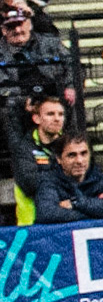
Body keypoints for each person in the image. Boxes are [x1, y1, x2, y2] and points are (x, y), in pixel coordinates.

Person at [32, 134, 103, 223]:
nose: (79, 161)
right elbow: (46, 213)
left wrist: (76, 203)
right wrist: (98, 211)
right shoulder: (48, 181)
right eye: (72, 155)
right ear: (59, 159)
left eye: (84, 154)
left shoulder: (99, 177)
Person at [8, 93, 66, 225]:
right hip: (33, 227)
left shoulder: (72, 146)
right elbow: (30, 185)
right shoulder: (23, 149)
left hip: (67, 222)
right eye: (50, 114)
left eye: (61, 114)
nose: (57, 119)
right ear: (37, 118)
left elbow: (86, 179)